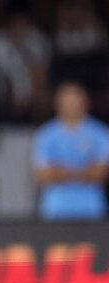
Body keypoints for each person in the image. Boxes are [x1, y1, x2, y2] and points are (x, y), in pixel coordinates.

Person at [34, 81, 109, 220]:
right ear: (57, 104)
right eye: (67, 101)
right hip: (55, 209)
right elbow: (44, 175)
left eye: (75, 100)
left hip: (92, 209)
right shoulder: (46, 135)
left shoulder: (100, 133)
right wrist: (84, 172)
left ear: (86, 103)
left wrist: (62, 172)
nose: (72, 105)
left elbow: (101, 173)